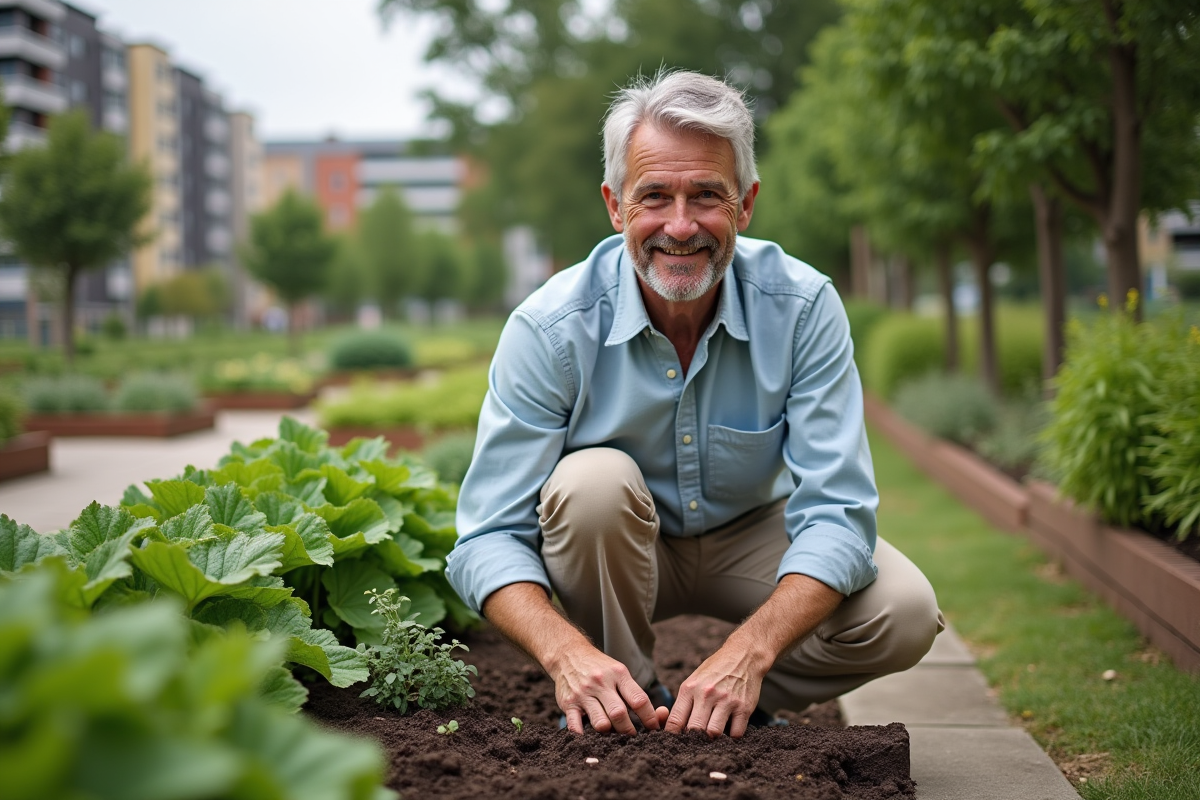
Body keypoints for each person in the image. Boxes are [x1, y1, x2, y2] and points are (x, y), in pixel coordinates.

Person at [446, 70, 943, 739]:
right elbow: (487, 539)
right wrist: (567, 656)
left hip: (750, 532)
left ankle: (725, 704)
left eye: (706, 195)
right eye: (654, 196)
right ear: (615, 206)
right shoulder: (551, 327)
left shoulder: (802, 307)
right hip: (614, 548)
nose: (680, 226)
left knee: (905, 612)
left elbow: (838, 513)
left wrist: (748, 655)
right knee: (591, 484)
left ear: (746, 204)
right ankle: (619, 696)